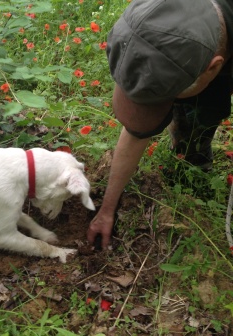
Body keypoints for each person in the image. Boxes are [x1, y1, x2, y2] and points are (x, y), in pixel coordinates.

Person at [87, 0, 233, 249]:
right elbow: (136, 131)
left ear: (213, 68)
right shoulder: (158, 13)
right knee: (192, 120)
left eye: (167, 96)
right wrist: (107, 209)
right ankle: (192, 163)